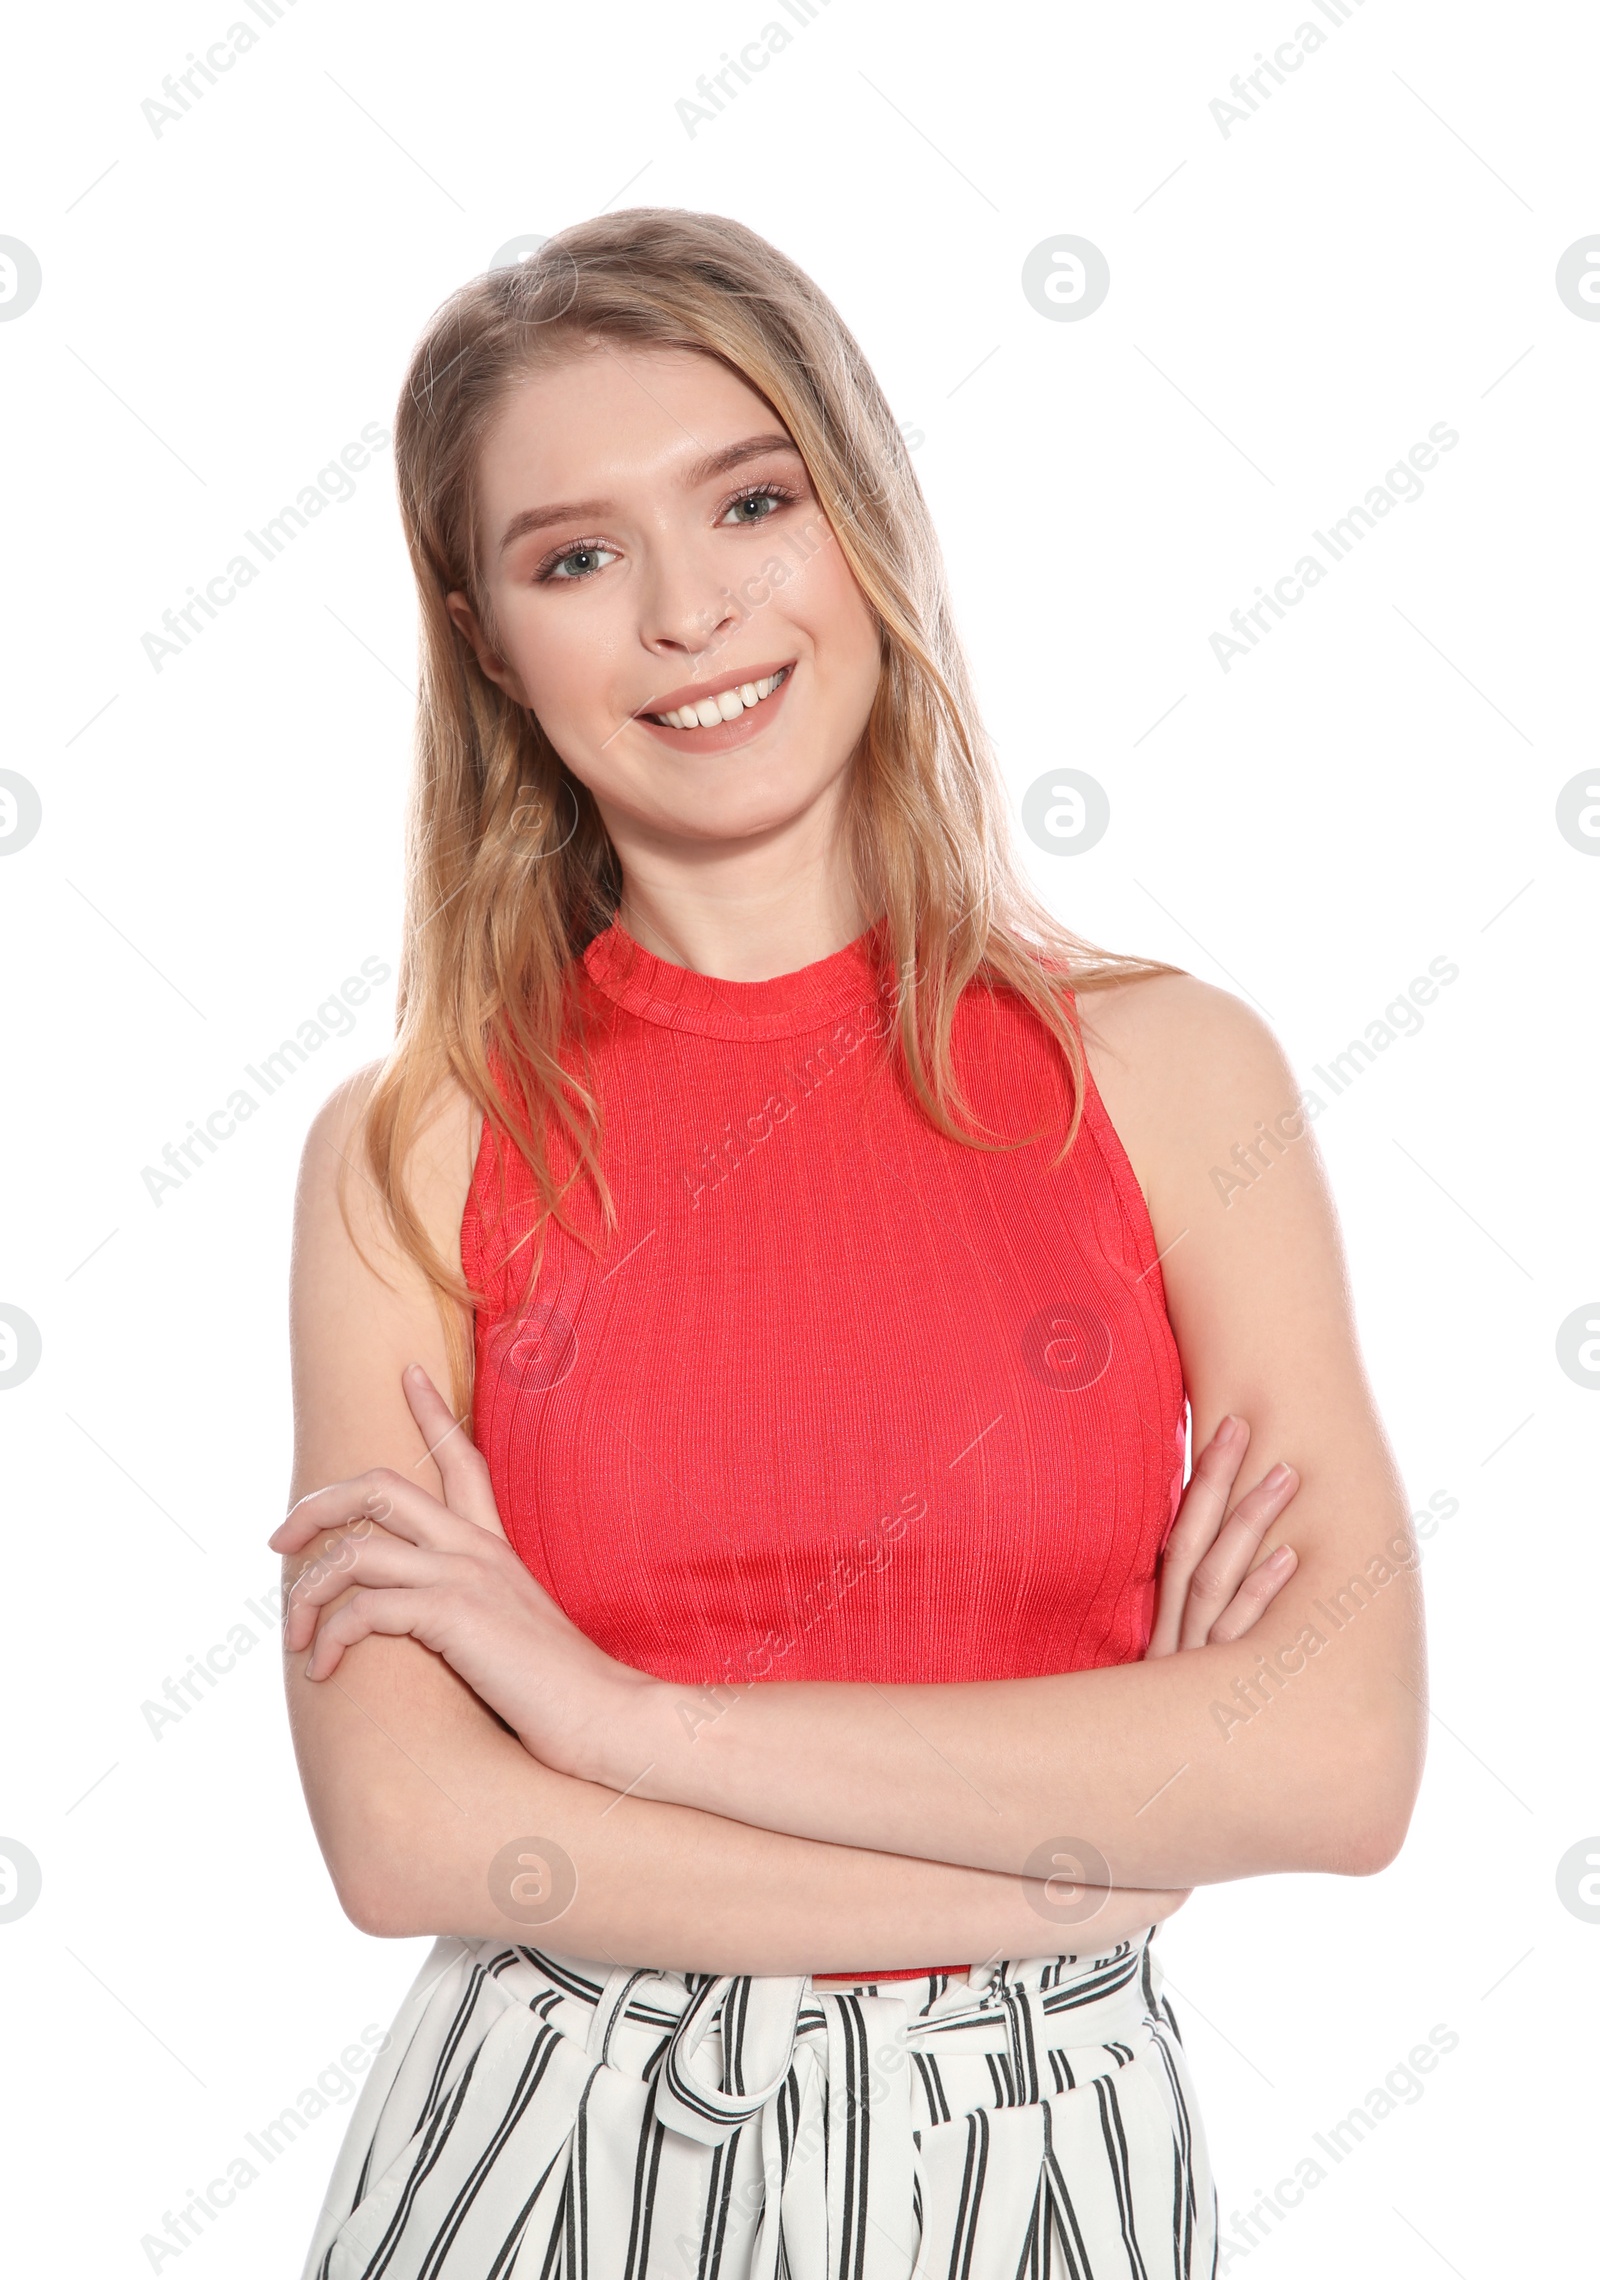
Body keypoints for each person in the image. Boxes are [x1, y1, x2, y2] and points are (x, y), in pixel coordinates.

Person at [271, 209, 1426, 2280]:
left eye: (749, 500)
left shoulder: (1164, 1078)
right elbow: (413, 1836)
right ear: (487, 639)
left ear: (859, 519)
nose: (690, 613)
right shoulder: (417, 1152)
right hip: (547, 2152)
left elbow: (1332, 1764)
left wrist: (620, 1725)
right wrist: (1084, 1855)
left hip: (1045, 2159)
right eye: (575, 557)